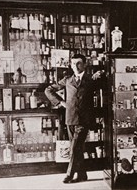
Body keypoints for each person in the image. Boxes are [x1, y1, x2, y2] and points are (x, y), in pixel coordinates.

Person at [45, 54, 105, 184]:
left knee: (74, 148)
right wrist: (61, 103)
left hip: (84, 120)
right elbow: (48, 90)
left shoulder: (91, 80)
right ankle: (82, 174)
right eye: (73, 64)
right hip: (70, 118)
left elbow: (104, 83)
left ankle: (69, 174)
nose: (76, 66)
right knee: (77, 149)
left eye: (78, 63)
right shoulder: (67, 80)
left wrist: (101, 73)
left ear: (84, 64)